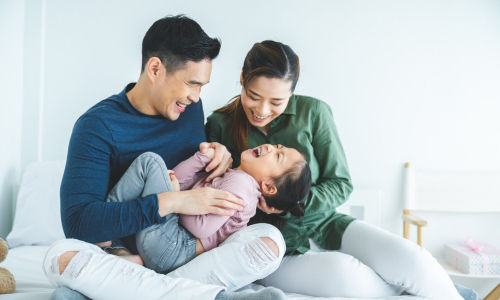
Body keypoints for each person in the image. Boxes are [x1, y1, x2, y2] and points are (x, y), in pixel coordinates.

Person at [47, 16, 288, 300]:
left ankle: (138, 290)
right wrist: (171, 202)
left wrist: (219, 155)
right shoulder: (97, 126)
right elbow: (79, 225)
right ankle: (210, 296)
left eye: (202, 87)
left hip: (178, 255)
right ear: (155, 69)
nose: (197, 97)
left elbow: (197, 181)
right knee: (60, 257)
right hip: (123, 253)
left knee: (269, 241)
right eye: (192, 84)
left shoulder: (189, 112)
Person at [205, 40, 464, 299]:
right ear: (241, 78)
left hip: (326, 224)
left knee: (413, 260)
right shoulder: (220, 125)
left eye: (276, 101)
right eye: (253, 96)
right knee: (350, 277)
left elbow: (340, 183)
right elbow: (215, 196)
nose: (261, 110)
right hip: (273, 244)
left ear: (292, 93)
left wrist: (292, 203)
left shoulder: (314, 113)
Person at [100, 143, 311, 274]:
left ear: (268, 187)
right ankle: (124, 252)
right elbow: (179, 181)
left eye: (277, 156)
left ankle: (104, 226)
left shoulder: (242, 186)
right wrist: (201, 159)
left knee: (150, 162)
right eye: (277, 146)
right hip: (169, 248)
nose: (270, 147)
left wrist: (178, 198)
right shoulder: (234, 177)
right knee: (156, 174)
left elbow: (200, 228)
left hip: (175, 246)